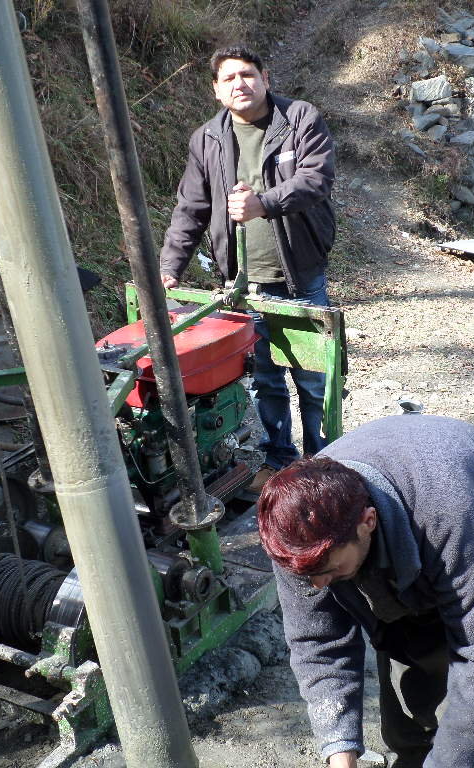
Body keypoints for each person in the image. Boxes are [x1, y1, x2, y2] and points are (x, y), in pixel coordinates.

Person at [256, 415, 474, 768]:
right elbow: (318, 644)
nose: (316, 586)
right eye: (309, 575)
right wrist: (339, 752)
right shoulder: (297, 537)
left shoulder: (447, 510)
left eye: (328, 571)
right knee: (411, 725)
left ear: (367, 522)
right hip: (409, 550)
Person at [158, 45, 337, 491]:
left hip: (301, 275)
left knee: (313, 380)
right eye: (229, 79)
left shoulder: (299, 119)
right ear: (217, 91)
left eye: (248, 74)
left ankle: (324, 463)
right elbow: (191, 209)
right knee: (265, 381)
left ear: (265, 78)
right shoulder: (208, 138)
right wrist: (170, 266)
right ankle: (280, 461)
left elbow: (315, 178)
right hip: (242, 284)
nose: (241, 84)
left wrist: (263, 204)